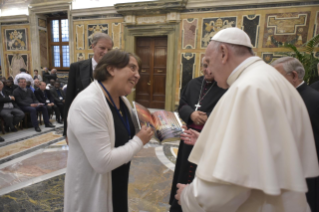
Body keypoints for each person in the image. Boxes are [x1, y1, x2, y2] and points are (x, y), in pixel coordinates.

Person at [174, 28, 319, 212]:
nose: (207, 70)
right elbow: (262, 147)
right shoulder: (272, 79)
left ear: (224, 53)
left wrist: (188, 197)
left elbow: (229, 183)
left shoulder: (247, 88)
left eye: (208, 62)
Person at [64, 50, 153, 212]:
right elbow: (102, 162)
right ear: (111, 69)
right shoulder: (88, 104)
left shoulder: (122, 100)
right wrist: (139, 140)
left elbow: (122, 133)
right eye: (132, 68)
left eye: (138, 70)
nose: (137, 75)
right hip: (93, 191)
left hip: (116, 183)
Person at [169, 57, 226, 212]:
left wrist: (208, 117)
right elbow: (182, 104)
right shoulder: (193, 84)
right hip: (189, 136)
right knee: (184, 169)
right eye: (204, 66)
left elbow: (226, 111)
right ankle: (178, 202)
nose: (207, 70)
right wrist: (191, 114)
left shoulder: (224, 87)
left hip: (208, 138)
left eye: (210, 67)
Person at [272, 57, 319, 212]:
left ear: (293, 76)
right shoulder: (284, 97)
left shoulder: (313, 100)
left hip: (308, 172)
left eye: (276, 77)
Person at [64, 33, 113, 142]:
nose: (106, 52)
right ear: (93, 47)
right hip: (82, 123)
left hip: (105, 124)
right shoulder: (77, 67)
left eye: (109, 49)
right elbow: (69, 100)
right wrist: (67, 130)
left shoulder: (114, 70)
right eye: (102, 48)